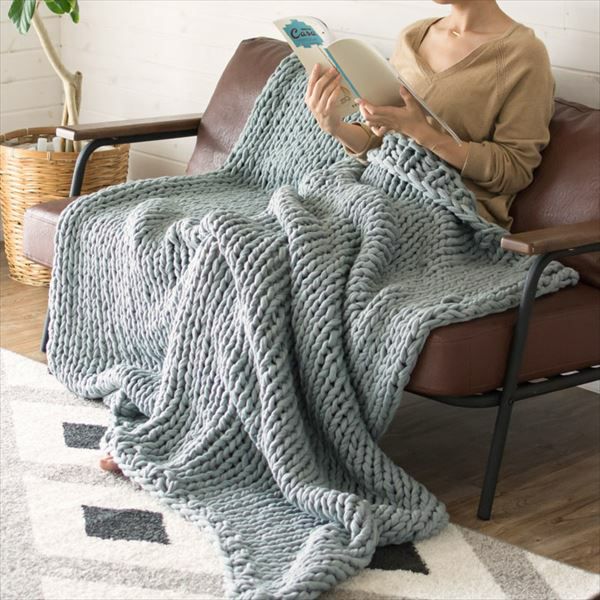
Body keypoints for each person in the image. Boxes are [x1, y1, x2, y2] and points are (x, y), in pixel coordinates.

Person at [304, 0, 556, 230]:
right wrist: (335, 127)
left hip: (450, 214)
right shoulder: (413, 36)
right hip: (377, 190)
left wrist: (422, 132)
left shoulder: (523, 55)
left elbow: (515, 170)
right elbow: (380, 141)